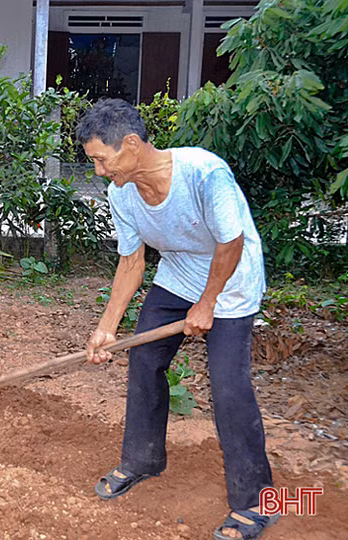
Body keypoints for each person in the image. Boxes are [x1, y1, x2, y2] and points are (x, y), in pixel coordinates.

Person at [78, 99, 276, 540]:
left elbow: (232, 241)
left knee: (229, 388)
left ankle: (258, 501)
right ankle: (142, 459)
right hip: (179, 276)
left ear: (131, 145)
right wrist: (107, 326)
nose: (99, 171)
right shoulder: (122, 193)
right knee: (145, 359)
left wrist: (207, 304)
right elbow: (132, 261)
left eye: (101, 159)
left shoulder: (204, 173)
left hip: (232, 281)